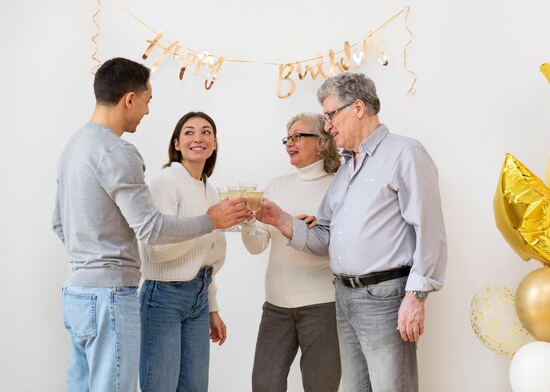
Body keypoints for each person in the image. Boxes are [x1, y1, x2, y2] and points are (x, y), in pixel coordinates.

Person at [52, 57, 249, 392]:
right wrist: (210, 221)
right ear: (130, 99)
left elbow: (59, 224)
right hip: (111, 294)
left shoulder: (73, 147)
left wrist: (90, 256)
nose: (146, 111)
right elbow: (152, 230)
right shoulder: (119, 152)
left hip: (77, 293)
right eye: (147, 101)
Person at [257, 72, 447, 392]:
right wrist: (281, 220)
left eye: (331, 115)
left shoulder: (405, 154)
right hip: (344, 298)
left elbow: (430, 230)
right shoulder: (346, 170)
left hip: (385, 298)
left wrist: (416, 295)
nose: (328, 126)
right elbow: (327, 237)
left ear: (358, 107)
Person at [241, 113, 342, 392]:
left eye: (298, 136)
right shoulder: (276, 184)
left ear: (321, 142)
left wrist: (309, 229)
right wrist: (249, 223)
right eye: (288, 138)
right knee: (264, 385)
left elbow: (341, 247)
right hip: (275, 306)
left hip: (322, 306)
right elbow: (257, 246)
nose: (289, 143)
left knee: (320, 387)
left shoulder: (338, 185)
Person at [139, 111, 228, 392]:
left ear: (214, 143)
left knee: (195, 388)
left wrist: (212, 307)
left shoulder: (210, 190)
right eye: (189, 132)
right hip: (164, 296)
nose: (198, 138)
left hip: (199, 297)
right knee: (160, 386)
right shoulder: (168, 180)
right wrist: (208, 223)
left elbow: (209, 259)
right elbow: (158, 249)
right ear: (176, 144)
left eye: (206, 132)